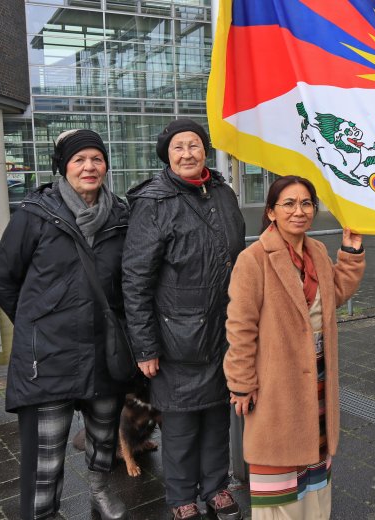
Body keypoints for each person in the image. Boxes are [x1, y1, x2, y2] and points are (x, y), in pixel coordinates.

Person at [0, 130, 130, 520]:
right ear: (64, 166)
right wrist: (34, 323)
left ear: (106, 165)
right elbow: (5, 279)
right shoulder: (34, 215)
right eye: (79, 160)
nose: (89, 167)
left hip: (104, 352)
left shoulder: (121, 216)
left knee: (103, 439)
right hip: (49, 356)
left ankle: (99, 490)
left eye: (97, 159)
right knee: (46, 454)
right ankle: (43, 513)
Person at [122, 119, 246, 520]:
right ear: (167, 155)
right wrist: (145, 346)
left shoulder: (223, 193)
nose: (187, 153)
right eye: (178, 147)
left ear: (205, 151)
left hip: (223, 330)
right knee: (178, 425)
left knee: (216, 418)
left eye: (194, 145)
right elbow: (136, 279)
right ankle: (180, 498)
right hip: (175, 335)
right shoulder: (153, 201)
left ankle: (216, 488)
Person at [223, 176, 365, 520]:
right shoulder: (253, 259)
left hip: (317, 377)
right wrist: (241, 382)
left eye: (306, 204)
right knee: (279, 481)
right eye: (288, 204)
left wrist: (351, 252)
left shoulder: (316, 250)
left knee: (314, 475)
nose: (299, 211)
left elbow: (334, 295)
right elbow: (240, 326)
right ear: (271, 212)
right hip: (276, 382)